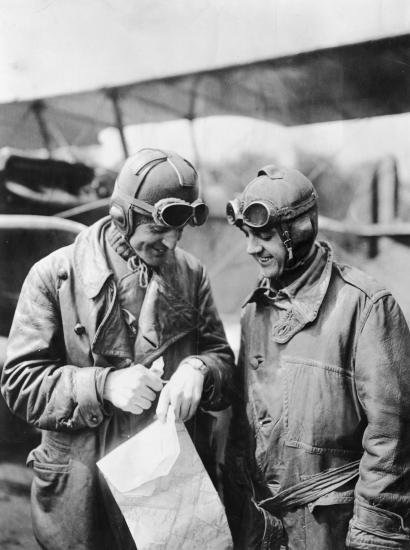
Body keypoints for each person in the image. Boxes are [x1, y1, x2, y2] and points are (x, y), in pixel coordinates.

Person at [1, 148, 234, 550]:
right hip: (82, 493)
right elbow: (20, 383)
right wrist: (103, 386)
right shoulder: (54, 276)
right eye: (160, 229)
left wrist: (200, 368)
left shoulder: (192, 275)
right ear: (122, 216)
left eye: (178, 231)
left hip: (165, 492)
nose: (172, 241)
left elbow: (223, 363)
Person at [223, 164, 410, 550]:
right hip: (266, 528)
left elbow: (394, 435)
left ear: (299, 231)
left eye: (265, 235)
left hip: (335, 529)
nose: (251, 248)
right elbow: (246, 431)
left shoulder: (365, 305)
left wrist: (373, 533)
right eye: (247, 235)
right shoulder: (253, 311)